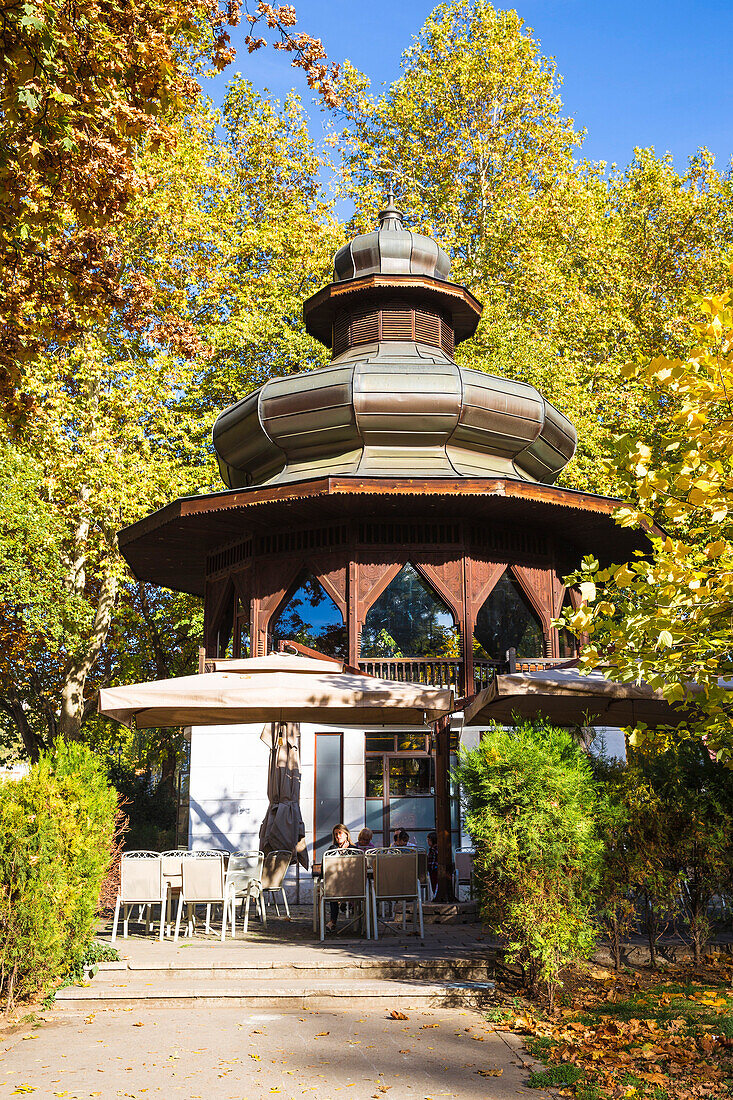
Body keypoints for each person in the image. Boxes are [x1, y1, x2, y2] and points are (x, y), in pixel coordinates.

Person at [326, 824, 352, 932]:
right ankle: (333, 921)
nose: (338, 836)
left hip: (352, 884)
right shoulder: (331, 849)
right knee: (332, 889)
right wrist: (338, 852)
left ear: (346, 835)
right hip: (336, 884)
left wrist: (345, 852)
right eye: (335, 834)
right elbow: (325, 867)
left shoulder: (354, 849)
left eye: (340, 833)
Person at [426, 831, 438, 895]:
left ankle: (435, 895)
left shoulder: (434, 850)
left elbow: (432, 861)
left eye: (429, 840)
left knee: (434, 884)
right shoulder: (432, 849)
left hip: (434, 870)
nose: (427, 842)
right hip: (433, 870)